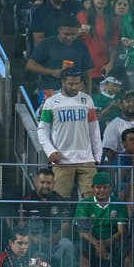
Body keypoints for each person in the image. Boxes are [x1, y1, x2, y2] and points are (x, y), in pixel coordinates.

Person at [36, 70, 102, 198]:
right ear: (63, 82)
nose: (74, 87)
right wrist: (50, 151)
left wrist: (97, 156)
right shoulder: (51, 102)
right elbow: (42, 129)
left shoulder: (87, 100)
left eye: (77, 84)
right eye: (71, 84)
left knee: (92, 199)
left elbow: (94, 130)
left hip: (86, 159)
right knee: (59, 199)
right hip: (62, 160)